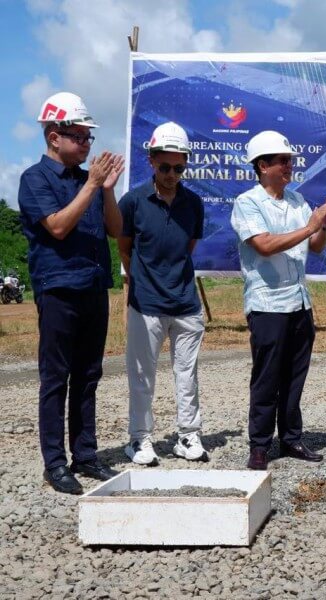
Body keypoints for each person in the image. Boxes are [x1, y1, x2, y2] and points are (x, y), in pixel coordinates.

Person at [17, 92, 124, 494]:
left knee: (89, 375)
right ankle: (55, 463)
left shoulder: (89, 181)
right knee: (56, 377)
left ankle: (86, 455)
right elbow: (58, 227)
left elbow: (114, 231)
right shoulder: (34, 179)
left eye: (88, 137)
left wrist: (106, 189)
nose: (85, 144)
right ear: (53, 136)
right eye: (78, 136)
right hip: (59, 288)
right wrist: (92, 185)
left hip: (94, 287)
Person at [231, 130, 326, 469]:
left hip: (298, 302)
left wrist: (323, 225)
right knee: (267, 378)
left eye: (290, 160)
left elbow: (316, 247)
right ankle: (259, 445)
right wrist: (310, 227)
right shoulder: (247, 202)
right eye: (282, 161)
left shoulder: (297, 200)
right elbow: (263, 245)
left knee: (294, 376)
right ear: (262, 165)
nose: (289, 166)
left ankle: (291, 439)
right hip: (267, 304)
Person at [117, 122, 207, 466]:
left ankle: (188, 434)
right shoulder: (133, 202)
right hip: (146, 304)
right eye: (165, 167)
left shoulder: (194, 203)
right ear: (151, 161)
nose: (172, 174)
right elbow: (125, 248)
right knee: (142, 375)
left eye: (179, 167)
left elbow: (188, 246)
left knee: (188, 374)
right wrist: (143, 280)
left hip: (186, 303)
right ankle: (140, 439)